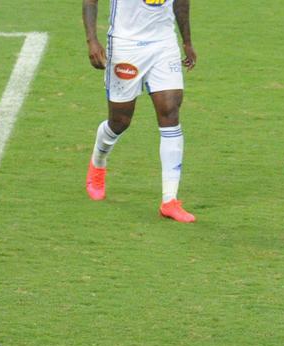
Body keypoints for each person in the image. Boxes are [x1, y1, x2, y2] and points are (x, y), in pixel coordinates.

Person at [83, 0, 198, 223]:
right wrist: (92, 41)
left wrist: (187, 41)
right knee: (120, 120)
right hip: (125, 44)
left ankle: (169, 200)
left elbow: (181, 2)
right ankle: (98, 162)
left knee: (170, 111)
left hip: (164, 43)